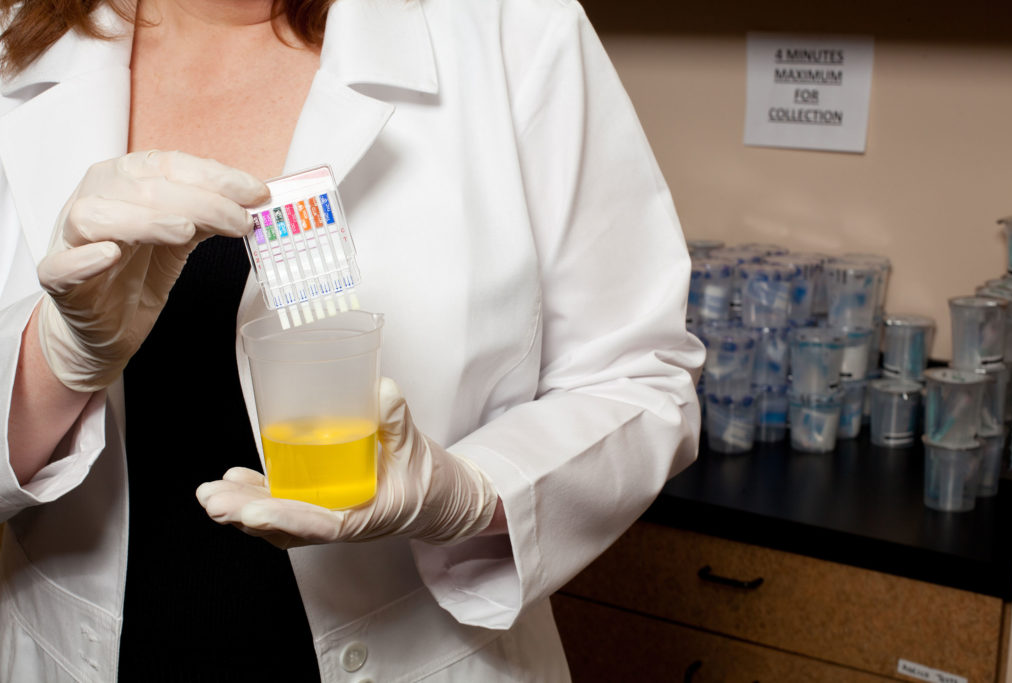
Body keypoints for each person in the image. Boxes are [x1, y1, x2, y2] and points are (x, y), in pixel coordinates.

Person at [0, 0, 704, 679]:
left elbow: (639, 375)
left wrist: (470, 491)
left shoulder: (513, 30)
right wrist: (57, 359)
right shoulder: (13, 51)